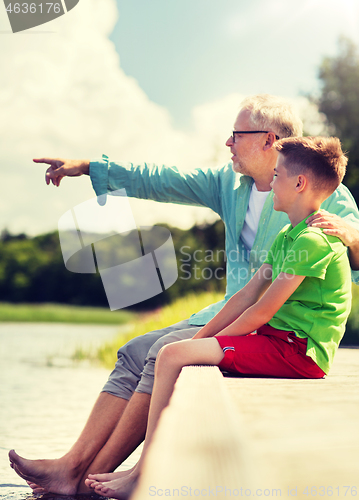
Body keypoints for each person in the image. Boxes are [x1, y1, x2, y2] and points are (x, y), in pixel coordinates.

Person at [8, 95, 359, 495]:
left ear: (269, 139)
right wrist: (90, 168)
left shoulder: (323, 194)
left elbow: (344, 258)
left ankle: (89, 477)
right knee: (134, 350)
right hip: (234, 309)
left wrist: (353, 235)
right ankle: (74, 463)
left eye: (236, 134)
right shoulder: (231, 186)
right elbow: (162, 178)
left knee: (162, 351)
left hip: (280, 326)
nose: (228, 143)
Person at [84, 135, 352, 499]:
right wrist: (202, 338)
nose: (271, 184)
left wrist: (204, 343)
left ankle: (143, 471)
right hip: (278, 340)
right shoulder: (290, 235)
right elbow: (245, 295)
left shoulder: (313, 241)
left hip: (299, 352)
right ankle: (139, 467)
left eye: (277, 176)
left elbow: (262, 310)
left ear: (300, 183)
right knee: (176, 351)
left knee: (172, 353)